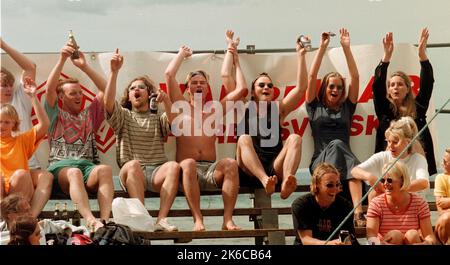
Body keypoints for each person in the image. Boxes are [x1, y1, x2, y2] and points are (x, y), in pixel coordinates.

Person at [164, 34, 247, 231]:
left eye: (202, 82)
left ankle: (228, 220)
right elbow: (169, 75)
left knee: (231, 163)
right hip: (186, 170)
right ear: (188, 88)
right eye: (194, 82)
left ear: (208, 87)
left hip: (211, 170)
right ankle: (198, 220)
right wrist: (181, 54)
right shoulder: (180, 106)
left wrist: (232, 53)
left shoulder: (215, 108)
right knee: (189, 163)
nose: (199, 85)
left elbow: (242, 89)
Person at [104, 49, 180, 232]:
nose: (136, 90)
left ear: (149, 94)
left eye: (141, 87)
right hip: (131, 172)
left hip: (156, 172)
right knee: (133, 165)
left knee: (174, 167)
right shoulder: (123, 115)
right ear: (128, 97)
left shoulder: (157, 115)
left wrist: (167, 101)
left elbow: (175, 126)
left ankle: (161, 219)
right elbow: (107, 103)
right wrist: (114, 72)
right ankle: (144, 218)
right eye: (132, 88)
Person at [44, 42, 114, 230]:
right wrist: (62, 59)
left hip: (87, 169)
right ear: (62, 98)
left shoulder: (89, 115)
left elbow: (106, 90)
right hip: (61, 170)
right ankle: (90, 219)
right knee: (73, 172)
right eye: (72, 93)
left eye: (80, 93)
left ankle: (106, 221)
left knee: (106, 169)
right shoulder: (55, 115)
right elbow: (49, 90)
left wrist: (84, 67)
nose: (78, 97)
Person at [232, 31, 306, 199]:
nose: (266, 88)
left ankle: (287, 181)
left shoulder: (278, 109)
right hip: (249, 171)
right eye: (261, 85)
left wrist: (301, 56)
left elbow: (301, 89)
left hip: (274, 167)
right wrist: (235, 59)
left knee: (295, 138)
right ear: (252, 92)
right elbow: (232, 83)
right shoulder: (243, 107)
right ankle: (265, 180)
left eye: (270, 85)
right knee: (243, 138)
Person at [305, 29, 363, 225]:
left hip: (344, 161)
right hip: (320, 162)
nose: (335, 90)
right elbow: (311, 76)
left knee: (351, 164)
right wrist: (321, 48)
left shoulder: (347, 107)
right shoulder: (314, 107)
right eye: (331, 86)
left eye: (339, 87)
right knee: (338, 145)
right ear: (324, 88)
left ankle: (358, 212)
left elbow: (355, 77)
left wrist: (346, 48)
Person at [372, 28, 436, 175]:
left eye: (400, 84)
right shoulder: (384, 109)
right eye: (392, 85)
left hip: (415, 164)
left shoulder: (418, 107)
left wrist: (422, 55)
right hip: (390, 167)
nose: (395, 88)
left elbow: (428, 83)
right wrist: (386, 58)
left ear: (408, 89)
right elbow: (377, 86)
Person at [1, 38, 53, 218]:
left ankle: (30, 218)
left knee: (44, 177)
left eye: (9, 84)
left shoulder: (19, 98)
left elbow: (30, 67)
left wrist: (3, 45)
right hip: (2, 173)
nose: (8, 88)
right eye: (3, 85)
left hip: (25, 165)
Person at [351, 117, 429, 201]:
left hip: (410, 205)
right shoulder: (382, 156)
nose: (390, 146)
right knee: (373, 192)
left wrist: (397, 188)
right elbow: (354, 171)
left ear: (408, 142)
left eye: (395, 142)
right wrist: (370, 177)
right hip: (387, 205)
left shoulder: (418, 159)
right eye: (388, 141)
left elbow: (423, 183)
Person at [366, 161, 436, 245]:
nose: (385, 184)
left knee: (412, 235)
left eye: (389, 180)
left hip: (412, 242)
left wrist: (427, 243)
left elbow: (429, 236)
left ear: (402, 180)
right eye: (382, 180)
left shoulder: (419, 203)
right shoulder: (376, 203)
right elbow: (371, 236)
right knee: (395, 235)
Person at [291, 163, 354, 245]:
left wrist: (347, 242)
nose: (335, 189)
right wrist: (329, 244)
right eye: (329, 185)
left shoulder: (346, 206)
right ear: (317, 185)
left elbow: (349, 237)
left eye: (337, 185)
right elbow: (306, 240)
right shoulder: (301, 205)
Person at [434, 148, 450, 245]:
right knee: (446, 218)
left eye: (445, 161)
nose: (442, 163)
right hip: (447, 224)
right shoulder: (440, 178)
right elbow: (441, 209)